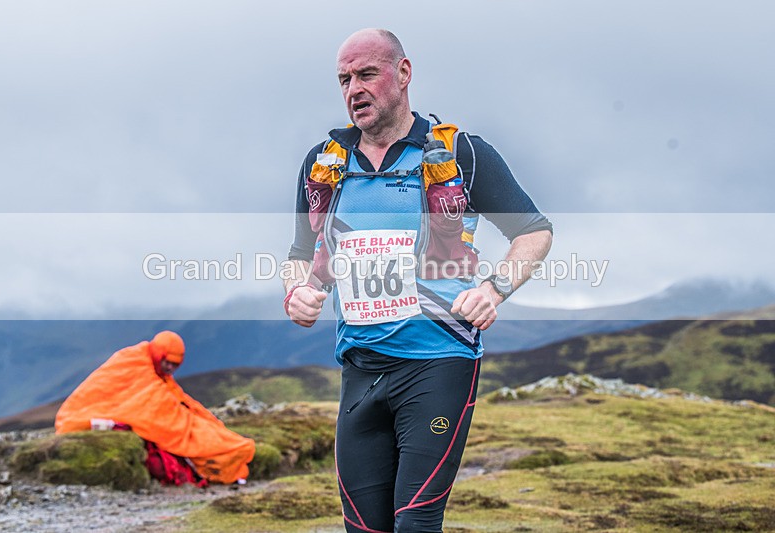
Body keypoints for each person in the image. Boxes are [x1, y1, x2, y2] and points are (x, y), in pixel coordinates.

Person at [284, 28, 553, 532]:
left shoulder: (461, 155)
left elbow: (534, 232)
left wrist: (494, 289)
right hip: (360, 369)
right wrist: (297, 290)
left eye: (366, 74)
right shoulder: (323, 166)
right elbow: (301, 254)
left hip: (438, 364)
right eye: (344, 79)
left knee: (415, 521)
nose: (353, 89)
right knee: (365, 527)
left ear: (403, 74)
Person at [55, 331, 256, 485]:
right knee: (183, 424)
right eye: (167, 362)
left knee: (196, 418)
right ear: (158, 355)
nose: (170, 368)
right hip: (77, 413)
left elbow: (177, 399)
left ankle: (226, 446)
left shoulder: (155, 371)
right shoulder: (132, 362)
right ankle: (222, 449)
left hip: (109, 409)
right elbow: (151, 404)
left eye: (175, 365)